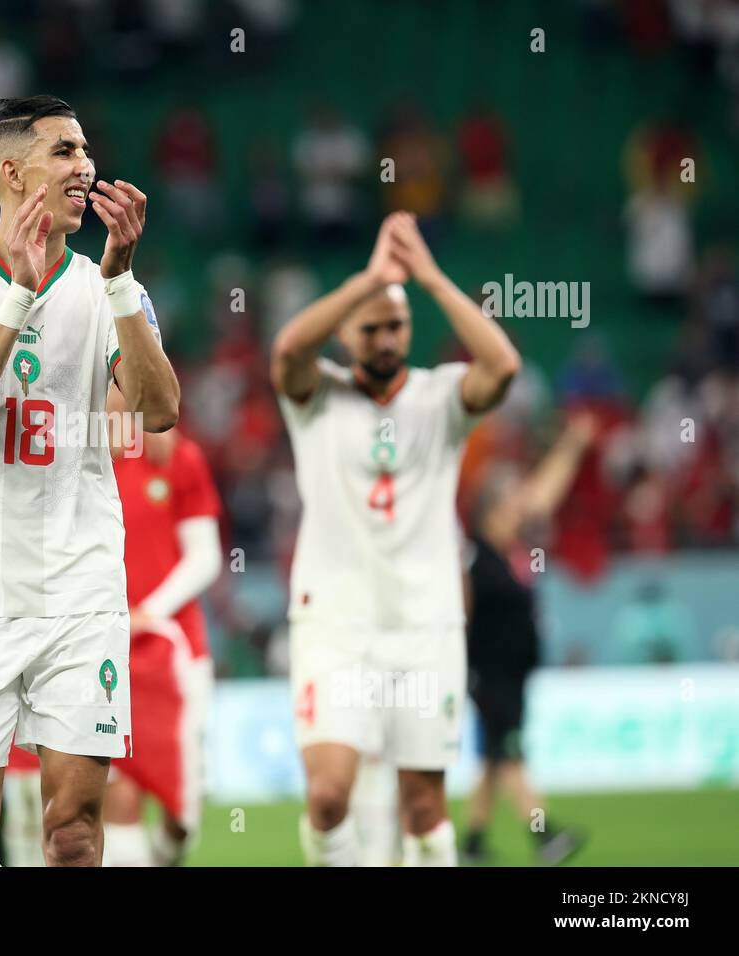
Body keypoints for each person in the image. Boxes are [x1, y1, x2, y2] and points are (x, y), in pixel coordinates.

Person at [0, 94, 179, 867]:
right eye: (65, 151)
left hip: (77, 593)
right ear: (12, 172)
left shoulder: (106, 286)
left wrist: (121, 281)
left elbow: (158, 412)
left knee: (75, 835)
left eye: (87, 150)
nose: (86, 166)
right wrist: (19, 294)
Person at [271, 212, 520, 866]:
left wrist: (431, 279)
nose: (386, 339)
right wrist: (368, 280)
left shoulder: (440, 399)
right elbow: (289, 352)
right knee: (327, 798)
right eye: (372, 327)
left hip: (425, 627)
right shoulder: (316, 397)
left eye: (397, 326)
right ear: (347, 332)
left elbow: (503, 365)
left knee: (424, 810)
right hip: (334, 627)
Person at [463, 413, 597, 865]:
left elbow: (545, 492)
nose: (525, 503)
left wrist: (572, 444)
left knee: (495, 759)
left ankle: (473, 844)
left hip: (511, 675)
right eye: (515, 497)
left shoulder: (510, 552)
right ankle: (545, 836)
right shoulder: (475, 559)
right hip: (489, 677)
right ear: (495, 506)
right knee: (511, 755)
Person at [102, 401, 221, 866]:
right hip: (103, 651)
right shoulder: (69, 459)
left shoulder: (176, 457)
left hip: (174, 652)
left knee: (181, 812)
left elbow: (206, 556)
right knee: (118, 789)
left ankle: (164, 854)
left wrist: (148, 611)